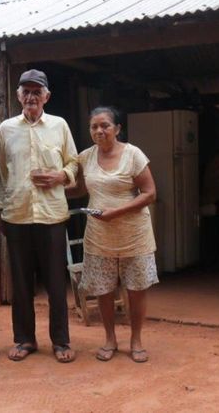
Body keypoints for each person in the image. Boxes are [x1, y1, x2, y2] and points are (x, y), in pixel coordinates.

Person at [0, 69, 78, 363]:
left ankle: (61, 341)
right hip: (16, 215)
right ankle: (25, 339)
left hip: (52, 216)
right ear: (18, 96)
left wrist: (61, 175)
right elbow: (1, 174)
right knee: (21, 283)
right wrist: (0, 210)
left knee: (56, 283)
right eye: (25, 91)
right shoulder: (5, 129)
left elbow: (74, 163)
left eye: (36, 91)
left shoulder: (60, 125)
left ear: (46, 96)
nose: (31, 97)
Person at [67, 106, 159, 363]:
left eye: (105, 125)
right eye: (94, 126)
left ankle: (136, 340)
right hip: (99, 235)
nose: (99, 131)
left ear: (117, 128)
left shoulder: (133, 155)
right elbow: (80, 189)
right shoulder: (85, 157)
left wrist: (117, 211)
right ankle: (110, 339)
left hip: (134, 235)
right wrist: (53, 188)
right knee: (103, 289)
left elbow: (150, 193)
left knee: (136, 289)